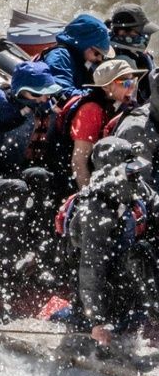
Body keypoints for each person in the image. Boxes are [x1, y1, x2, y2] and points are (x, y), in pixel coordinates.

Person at [59, 136, 159, 350]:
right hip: (98, 291)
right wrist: (97, 321)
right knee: (140, 255)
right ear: (111, 174)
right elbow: (90, 270)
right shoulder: (95, 212)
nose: (137, 177)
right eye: (130, 172)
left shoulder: (131, 186)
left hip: (122, 276)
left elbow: (154, 202)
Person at [61, 59, 143, 190]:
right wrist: (89, 197)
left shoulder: (124, 105)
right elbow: (79, 163)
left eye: (134, 81)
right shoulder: (90, 110)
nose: (132, 87)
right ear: (106, 87)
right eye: (126, 82)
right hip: (83, 180)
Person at [0, 61, 63, 176]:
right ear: (19, 92)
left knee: (43, 174)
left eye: (49, 93)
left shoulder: (47, 104)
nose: (44, 99)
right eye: (37, 94)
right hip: (0, 173)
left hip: (31, 167)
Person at [40, 14, 114, 101]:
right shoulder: (60, 57)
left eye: (103, 55)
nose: (100, 59)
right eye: (97, 53)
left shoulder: (82, 58)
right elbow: (61, 93)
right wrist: (94, 95)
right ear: (83, 44)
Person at [108, 3, 157, 99]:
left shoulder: (138, 54)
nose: (145, 36)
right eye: (140, 31)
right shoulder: (118, 63)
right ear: (122, 33)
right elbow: (125, 94)